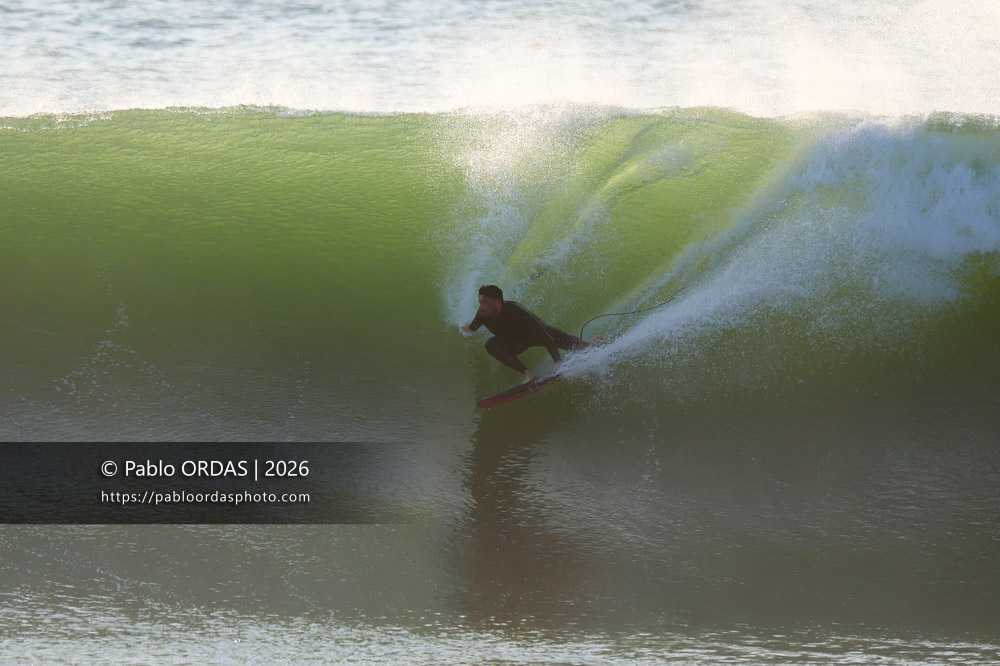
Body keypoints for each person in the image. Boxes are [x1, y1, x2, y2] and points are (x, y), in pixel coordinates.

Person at [461, 284, 600, 382]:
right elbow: (471, 328)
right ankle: (528, 374)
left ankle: (595, 342)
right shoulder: (482, 315)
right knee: (490, 343)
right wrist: (462, 327)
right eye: (480, 302)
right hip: (516, 343)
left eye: (484, 302)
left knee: (582, 347)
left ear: (497, 302)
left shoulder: (514, 309)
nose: (481, 307)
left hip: (537, 335)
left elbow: (542, 332)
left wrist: (558, 361)